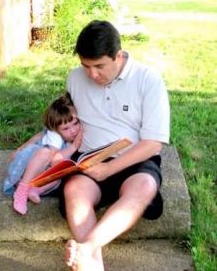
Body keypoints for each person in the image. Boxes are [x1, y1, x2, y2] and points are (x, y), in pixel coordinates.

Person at [59, 20, 170, 271]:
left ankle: (86, 249)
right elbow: (63, 121)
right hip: (90, 158)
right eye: (85, 66)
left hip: (135, 159)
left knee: (144, 186)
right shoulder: (75, 79)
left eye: (99, 66)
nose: (92, 74)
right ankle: (91, 265)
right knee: (75, 191)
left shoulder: (148, 80)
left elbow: (153, 143)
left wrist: (110, 170)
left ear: (118, 56)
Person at [3, 92, 83, 215]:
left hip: (42, 175)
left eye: (75, 123)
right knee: (45, 153)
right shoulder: (55, 137)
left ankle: (35, 190)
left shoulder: (68, 132)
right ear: (56, 129)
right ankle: (22, 190)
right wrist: (74, 146)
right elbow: (54, 159)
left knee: (59, 174)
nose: (73, 131)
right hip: (29, 171)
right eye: (66, 128)